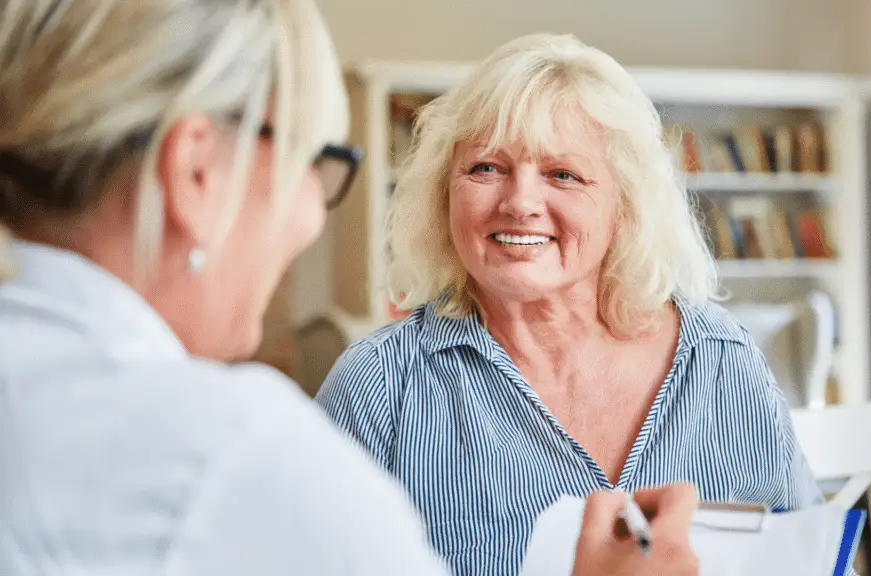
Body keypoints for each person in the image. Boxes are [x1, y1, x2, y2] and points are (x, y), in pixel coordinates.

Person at [0, 2, 701, 575]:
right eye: (315, 160)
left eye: (565, 175)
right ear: (196, 173)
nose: (312, 213)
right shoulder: (238, 451)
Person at [316, 32, 824, 576]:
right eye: (487, 167)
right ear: (445, 191)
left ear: (623, 206)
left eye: (563, 174)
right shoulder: (376, 387)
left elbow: (810, 557)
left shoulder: (722, 359)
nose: (520, 202)